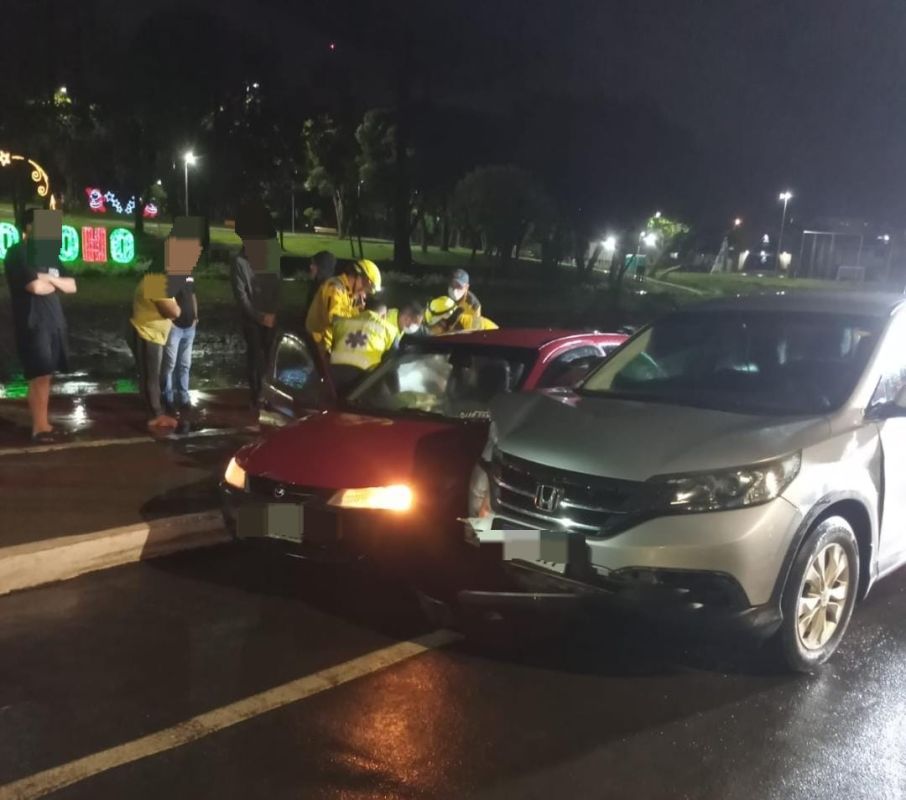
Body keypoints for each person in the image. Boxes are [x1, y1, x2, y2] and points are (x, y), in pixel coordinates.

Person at [3, 208, 77, 442]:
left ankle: (43, 423)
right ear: (28, 227)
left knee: (46, 374)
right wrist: (54, 283)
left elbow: (72, 285)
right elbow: (34, 287)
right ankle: (39, 427)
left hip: (54, 321)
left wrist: (49, 279)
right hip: (33, 322)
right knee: (38, 374)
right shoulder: (18, 252)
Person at [130, 218, 202, 428]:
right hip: (147, 333)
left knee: (151, 375)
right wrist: (176, 307)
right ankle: (156, 414)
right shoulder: (155, 280)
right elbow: (173, 310)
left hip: (152, 332)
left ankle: (153, 410)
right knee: (152, 376)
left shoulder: (160, 278)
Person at [231, 201, 281, 409]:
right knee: (255, 357)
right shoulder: (239, 262)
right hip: (253, 319)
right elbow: (241, 296)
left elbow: (277, 286)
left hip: (271, 316)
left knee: (271, 358)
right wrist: (260, 316)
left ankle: (267, 393)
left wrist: (274, 313)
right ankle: (255, 395)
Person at [306, 258, 382, 351]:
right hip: (317, 344)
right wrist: (361, 317)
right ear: (363, 280)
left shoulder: (349, 293)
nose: (365, 294)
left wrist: (359, 310)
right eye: (367, 289)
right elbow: (336, 319)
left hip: (330, 344)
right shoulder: (335, 288)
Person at [328, 294, 397, 392]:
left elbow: (334, 346)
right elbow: (391, 363)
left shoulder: (343, 323)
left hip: (333, 372)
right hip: (364, 379)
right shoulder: (390, 330)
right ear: (383, 316)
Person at [160, 272, 198, 415]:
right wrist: (170, 322)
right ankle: (168, 399)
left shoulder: (190, 275)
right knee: (169, 364)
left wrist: (196, 317)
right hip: (174, 328)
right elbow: (164, 300)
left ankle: (183, 398)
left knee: (185, 364)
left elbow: (193, 295)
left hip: (189, 328)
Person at [424, 295, 498, 335]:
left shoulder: (463, 331)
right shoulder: (460, 323)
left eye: (431, 327)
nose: (430, 332)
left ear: (442, 323)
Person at [305, 250, 337, 315]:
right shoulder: (317, 286)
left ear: (322, 268)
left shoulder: (328, 290)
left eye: (314, 264)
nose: (310, 266)